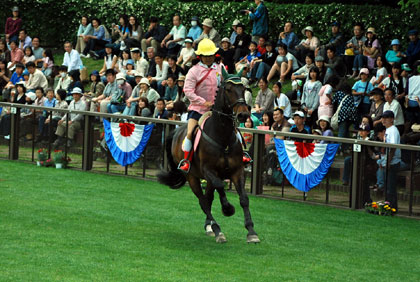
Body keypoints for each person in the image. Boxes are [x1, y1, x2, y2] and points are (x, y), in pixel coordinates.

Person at [178, 38, 222, 172]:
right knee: (190, 133)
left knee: (234, 130)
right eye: (206, 56)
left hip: (217, 110)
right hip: (198, 110)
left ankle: (242, 154)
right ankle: (186, 160)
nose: (209, 58)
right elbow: (188, 91)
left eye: (210, 56)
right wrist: (204, 102)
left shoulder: (220, 68)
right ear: (200, 56)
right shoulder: (193, 71)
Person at [381, 110, 401, 210]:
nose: (384, 120)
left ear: (392, 119)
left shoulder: (393, 130)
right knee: (387, 186)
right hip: (388, 161)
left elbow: (393, 147)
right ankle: (388, 206)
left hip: (393, 162)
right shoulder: (388, 130)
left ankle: (392, 207)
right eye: (383, 117)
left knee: (390, 187)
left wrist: (388, 162)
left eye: (386, 118)